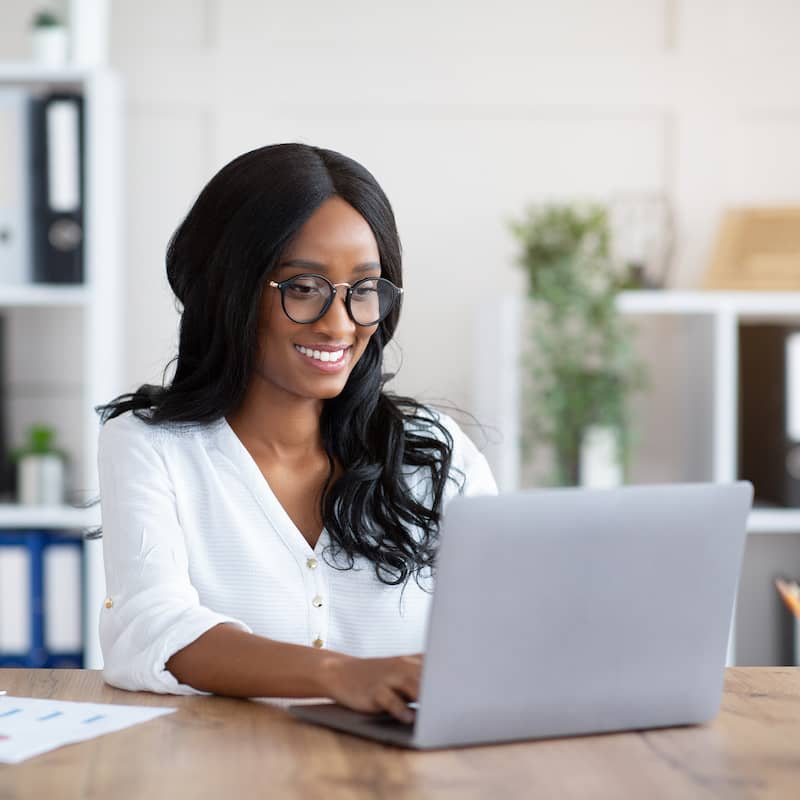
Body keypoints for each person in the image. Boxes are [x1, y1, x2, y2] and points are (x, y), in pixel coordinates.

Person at [97, 143, 497, 723]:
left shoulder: (435, 452)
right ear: (228, 290)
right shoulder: (151, 447)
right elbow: (150, 629)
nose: (340, 324)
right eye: (304, 287)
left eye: (364, 290)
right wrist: (341, 675)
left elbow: (509, 627)